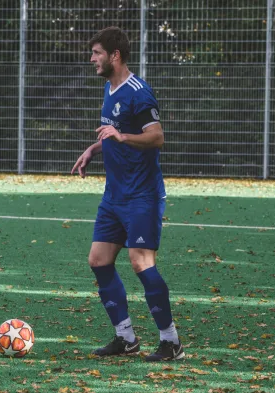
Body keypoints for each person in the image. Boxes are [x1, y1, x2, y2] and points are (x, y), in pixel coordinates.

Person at [71, 27, 183, 362]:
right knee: (99, 261)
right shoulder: (110, 87)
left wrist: (120, 136)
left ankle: (171, 342)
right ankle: (126, 338)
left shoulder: (139, 92)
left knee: (140, 261)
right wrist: (96, 147)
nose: (92, 59)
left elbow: (156, 137)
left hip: (141, 196)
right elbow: (115, 134)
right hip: (114, 196)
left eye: (97, 53)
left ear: (114, 55)